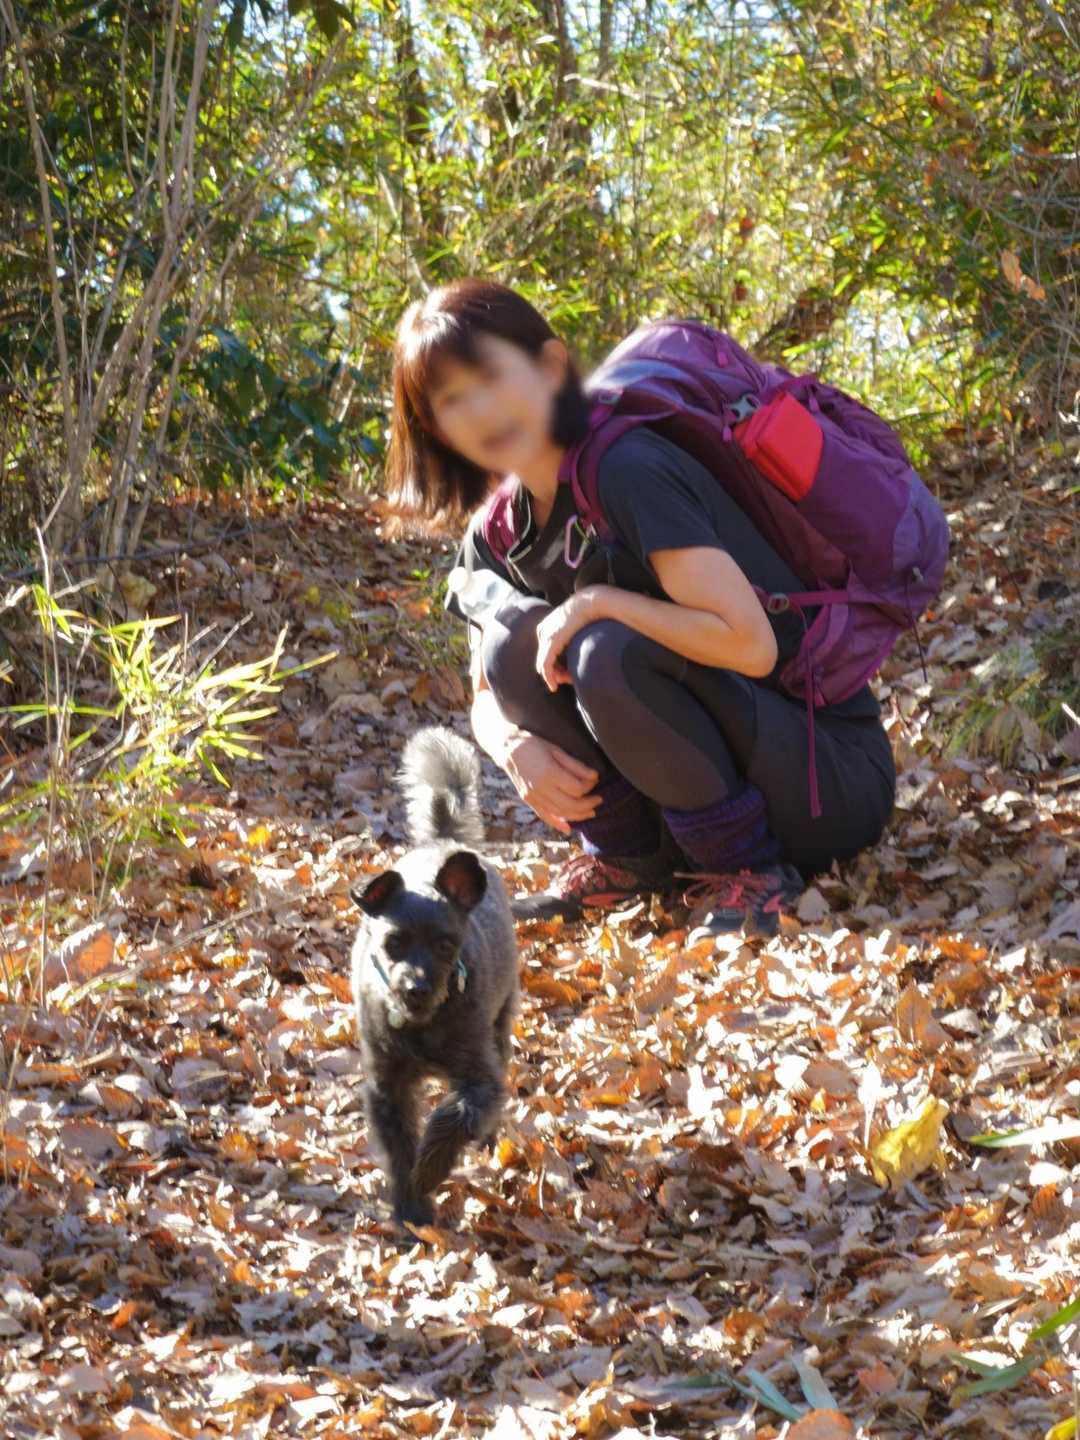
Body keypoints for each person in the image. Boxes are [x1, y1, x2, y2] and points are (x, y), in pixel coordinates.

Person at [385, 278, 896, 937]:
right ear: (435, 429)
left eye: (490, 377)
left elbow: (751, 644)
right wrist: (511, 747)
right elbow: (485, 685)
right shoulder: (500, 530)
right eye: (454, 400)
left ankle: (749, 872)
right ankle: (627, 860)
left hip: (825, 777)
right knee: (514, 642)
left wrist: (598, 602)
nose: (481, 411)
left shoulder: (627, 468)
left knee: (605, 649)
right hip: (702, 793)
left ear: (551, 366)